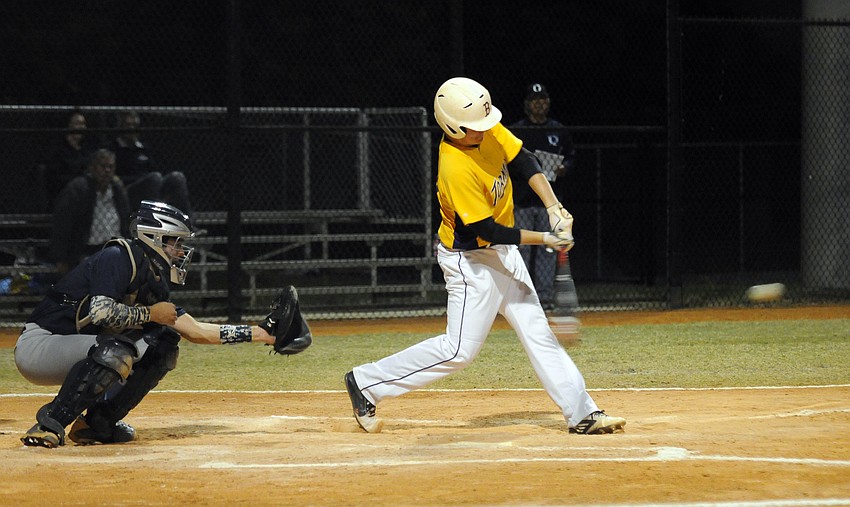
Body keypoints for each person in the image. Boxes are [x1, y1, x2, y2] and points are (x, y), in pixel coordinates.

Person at [344, 77, 625, 435]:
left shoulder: (483, 126)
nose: (485, 130)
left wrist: (554, 206)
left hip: (502, 253)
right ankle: (366, 382)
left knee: (537, 331)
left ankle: (581, 412)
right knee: (459, 351)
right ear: (451, 125)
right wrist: (546, 238)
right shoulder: (454, 167)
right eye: (476, 127)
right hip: (470, 261)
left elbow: (524, 160)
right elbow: (486, 231)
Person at [15, 201, 308, 448]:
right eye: (176, 243)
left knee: (163, 344)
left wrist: (265, 334)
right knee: (118, 349)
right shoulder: (119, 256)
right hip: (42, 344)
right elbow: (102, 312)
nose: (181, 252)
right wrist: (150, 315)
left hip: (78, 347)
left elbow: (198, 332)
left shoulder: (154, 285)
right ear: (155, 237)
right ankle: (50, 424)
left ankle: (97, 423)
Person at [510, 83, 579, 318]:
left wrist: (564, 168)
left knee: (549, 251)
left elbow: (571, 156)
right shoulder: (517, 130)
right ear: (527, 104)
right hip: (522, 199)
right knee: (520, 251)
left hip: (549, 203)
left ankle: (545, 298)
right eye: (535, 99)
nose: (540, 103)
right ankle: (519, 298)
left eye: (543, 98)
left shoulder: (557, 129)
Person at [50, 148, 131, 276]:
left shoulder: (117, 190)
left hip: (116, 248)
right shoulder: (79, 189)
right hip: (88, 250)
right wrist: (61, 257)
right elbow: (63, 223)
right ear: (92, 168)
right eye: (103, 166)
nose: (107, 171)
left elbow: (126, 220)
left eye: (111, 167)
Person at [109, 110, 193, 216]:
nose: (132, 129)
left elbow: (154, 170)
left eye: (135, 125)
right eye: (128, 125)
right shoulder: (114, 148)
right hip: (128, 190)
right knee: (154, 178)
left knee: (177, 177)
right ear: (121, 127)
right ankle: (154, 219)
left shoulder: (143, 148)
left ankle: (188, 224)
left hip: (152, 186)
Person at [42, 110, 93, 209]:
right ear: (69, 126)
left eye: (83, 124)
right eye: (78, 124)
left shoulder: (86, 151)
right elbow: (55, 179)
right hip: (65, 195)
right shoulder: (59, 151)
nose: (82, 127)